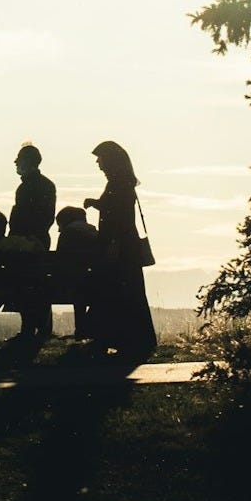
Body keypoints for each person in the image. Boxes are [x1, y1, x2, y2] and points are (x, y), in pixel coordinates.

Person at [83, 141, 156, 361]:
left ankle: (114, 339)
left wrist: (114, 243)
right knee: (126, 293)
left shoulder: (118, 183)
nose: (98, 163)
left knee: (115, 292)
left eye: (100, 158)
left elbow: (119, 215)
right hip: (125, 246)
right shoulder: (123, 182)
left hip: (119, 247)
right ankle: (131, 340)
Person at [9, 143, 56, 341]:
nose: (15, 164)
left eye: (18, 160)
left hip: (25, 242)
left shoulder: (25, 187)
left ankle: (29, 328)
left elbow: (20, 217)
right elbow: (48, 217)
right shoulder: (47, 184)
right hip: (40, 239)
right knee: (39, 283)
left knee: (26, 284)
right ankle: (42, 328)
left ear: (27, 163)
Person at [54, 206, 100, 340]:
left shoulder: (67, 234)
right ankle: (84, 329)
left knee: (78, 290)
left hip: (71, 284)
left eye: (59, 225)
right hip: (98, 282)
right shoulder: (95, 233)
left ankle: (82, 329)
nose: (58, 229)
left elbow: (59, 260)